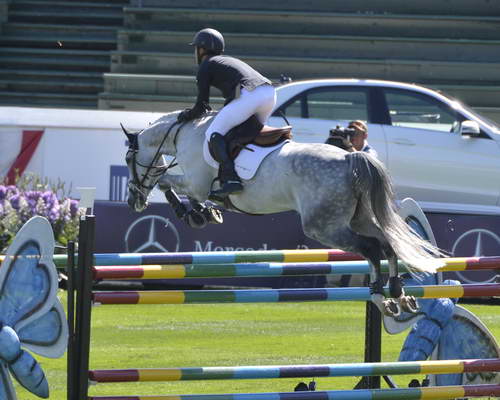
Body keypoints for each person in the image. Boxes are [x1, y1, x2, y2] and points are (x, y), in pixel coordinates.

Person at [177, 28, 276, 201]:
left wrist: (185, 116)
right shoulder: (227, 60)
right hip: (269, 93)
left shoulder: (206, 65)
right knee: (242, 136)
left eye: (196, 49)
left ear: (201, 49)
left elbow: (201, 107)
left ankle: (231, 179)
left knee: (214, 134)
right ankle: (250, 175)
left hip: (251, 95)